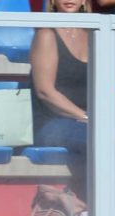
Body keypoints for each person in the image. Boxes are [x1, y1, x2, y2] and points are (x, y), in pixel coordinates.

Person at [30, 0, 91, 199]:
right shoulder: (46, 34)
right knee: (101, 142)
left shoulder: (95, 34)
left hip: (86, 122)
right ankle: (92, 207)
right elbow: (45, 91)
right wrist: (86, 117)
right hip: (51, 122)